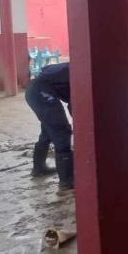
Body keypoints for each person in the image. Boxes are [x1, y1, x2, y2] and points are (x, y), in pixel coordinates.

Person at [25, 62, 73, 192]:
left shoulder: (72, 67)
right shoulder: (80, 74)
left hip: (34, 90)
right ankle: (67, 180)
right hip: (41, 92)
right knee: (61, 129)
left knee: (48, 129)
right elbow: (75, 105)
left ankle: (39, 168)